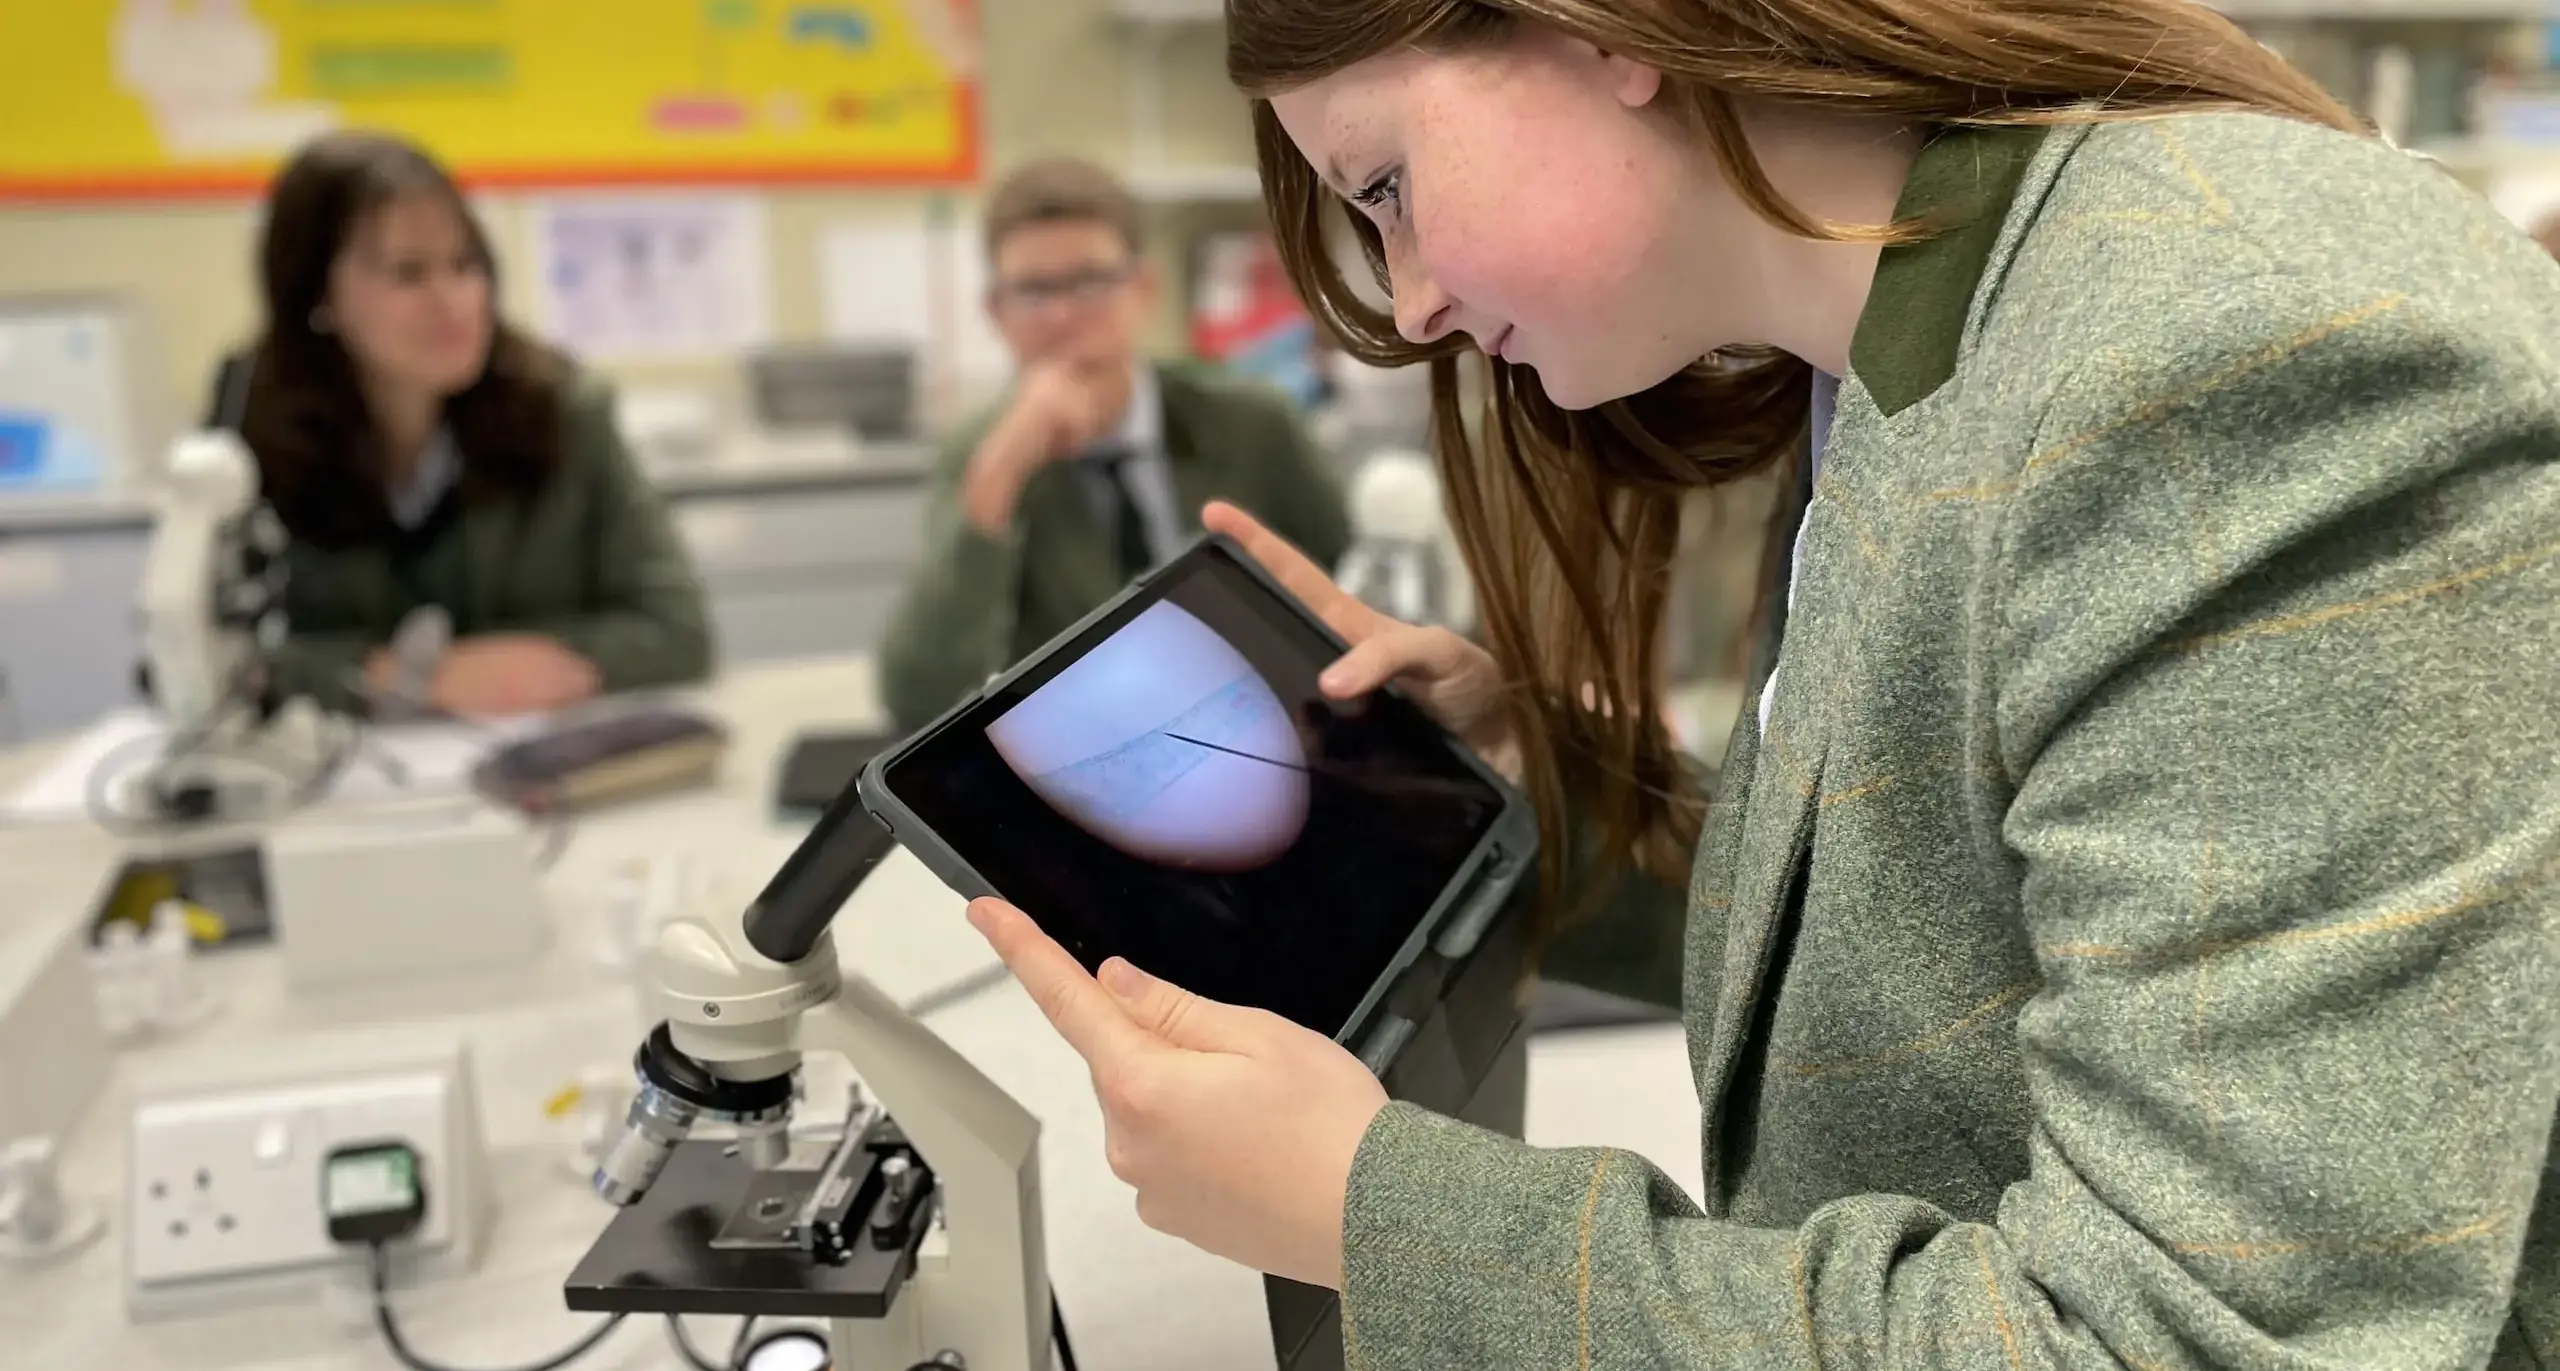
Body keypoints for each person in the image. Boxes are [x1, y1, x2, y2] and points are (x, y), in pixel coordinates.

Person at [961, 2, 2560, 1366]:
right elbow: (1957, 930)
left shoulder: (2219, 361)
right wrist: (1536, 773)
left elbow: (2180, 1336)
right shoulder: (1894, 351)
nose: (1410, 303)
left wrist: (1371, 1208)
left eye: (1384, 184)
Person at [220, 131, 712, 719]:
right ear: (316, 294)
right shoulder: (249, 429)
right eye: (409, 273)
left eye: (466, 264)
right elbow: (218, 664)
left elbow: (680, 634)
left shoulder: (564, 412)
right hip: (339, 786)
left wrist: (532, 663)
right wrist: (404, 674)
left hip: (539, 772)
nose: (454, 300)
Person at [876, 156, 1352, 732]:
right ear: (996, 313)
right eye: (1032, 291)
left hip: (1265, 727)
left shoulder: (1252, 424)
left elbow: (1355, 598)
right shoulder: (984, 457)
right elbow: (916, 697)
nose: (1062, 314)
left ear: (1142, 288)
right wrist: (995, 484)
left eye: (1090, 282)